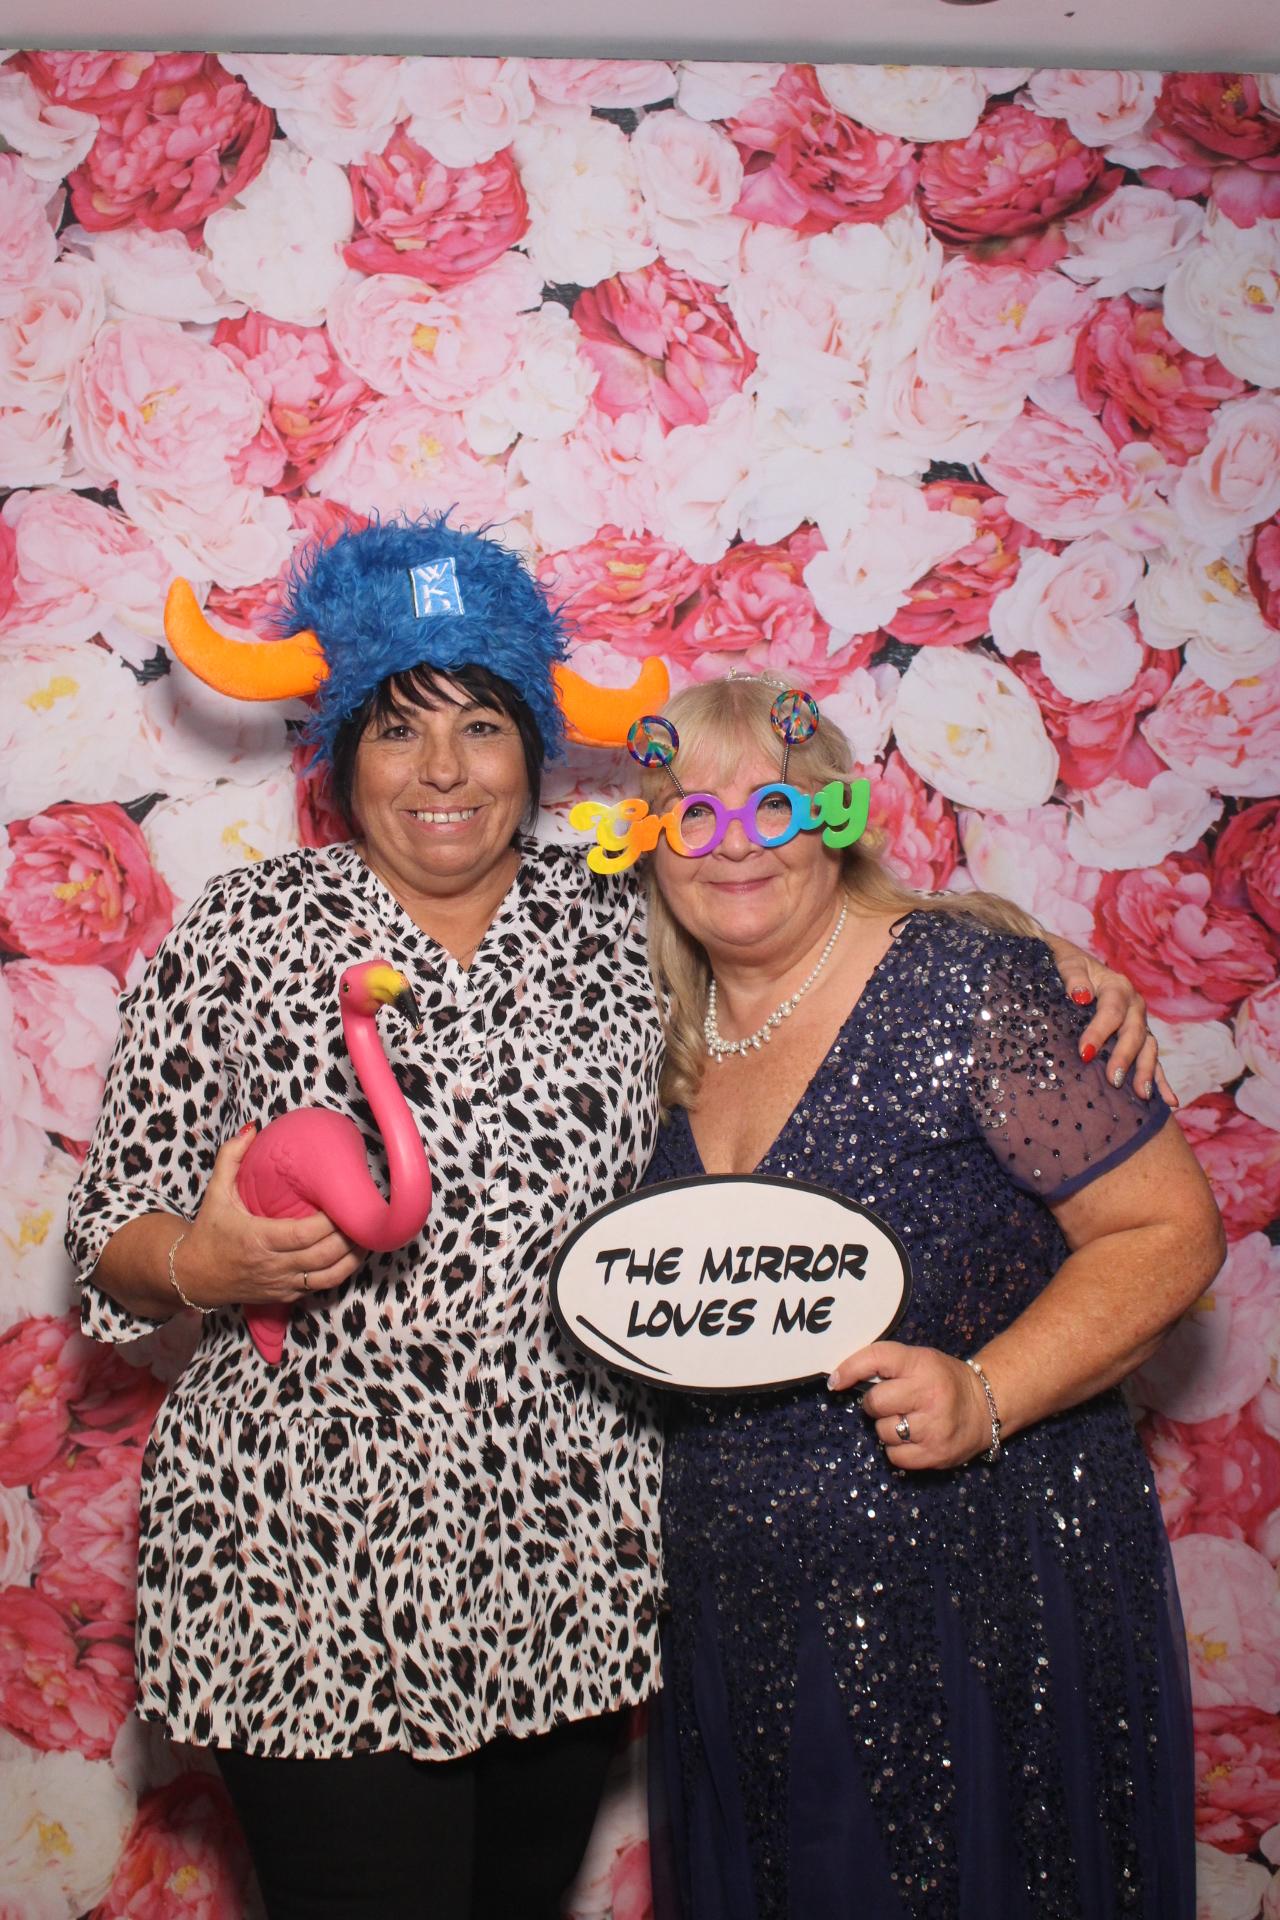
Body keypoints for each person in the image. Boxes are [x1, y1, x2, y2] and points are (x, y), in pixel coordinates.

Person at [66, 520, 1162, 1920]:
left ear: (534, 748)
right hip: (299, 1551)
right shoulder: (238, 932)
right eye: (399, 731)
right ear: (340, 756)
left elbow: (802, 915)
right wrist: (199, 1259)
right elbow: (114, 1229)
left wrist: (1028, 957)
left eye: (482, 725)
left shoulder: (617, 920)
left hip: (568, 1546)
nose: (446, 769)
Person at [636, 676, 1223, 1920]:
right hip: (736, 1609)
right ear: (649, 844)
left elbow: (1163, 1230)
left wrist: (985, 1389)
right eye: (693, 814)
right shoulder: (650, 1037)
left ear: (837, 815)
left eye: (776, 804)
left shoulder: (967, 987)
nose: (736, 843)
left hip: (982, 1590)